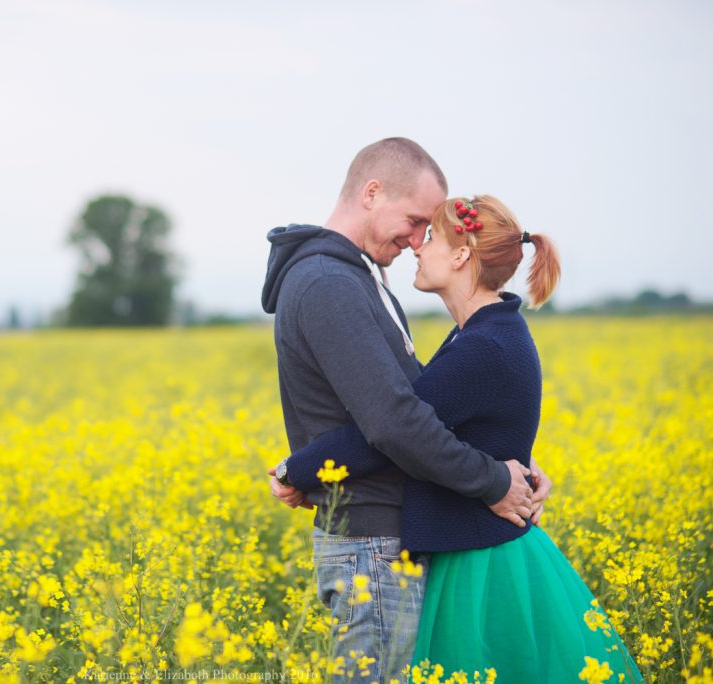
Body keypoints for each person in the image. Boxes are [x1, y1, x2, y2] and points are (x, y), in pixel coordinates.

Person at [281, 195, 642, 682]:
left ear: (460, 256)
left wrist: (296, 471)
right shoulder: (490, 332)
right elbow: (470, 424)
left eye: (430, 236)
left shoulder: (483, 346)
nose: (417, 246)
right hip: (482, 547)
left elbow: (392, 429)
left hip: (482, 567)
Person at [259, 138, 550, 684]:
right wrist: (493, 479)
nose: (418, 240)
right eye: (415, 220)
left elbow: (422, 410)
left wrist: (511, 463)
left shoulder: (360, 278)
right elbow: (394, 422)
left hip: (394, 535)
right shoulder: (328, 282)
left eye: (429, 231)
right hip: (370, 540)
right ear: (372, 193)